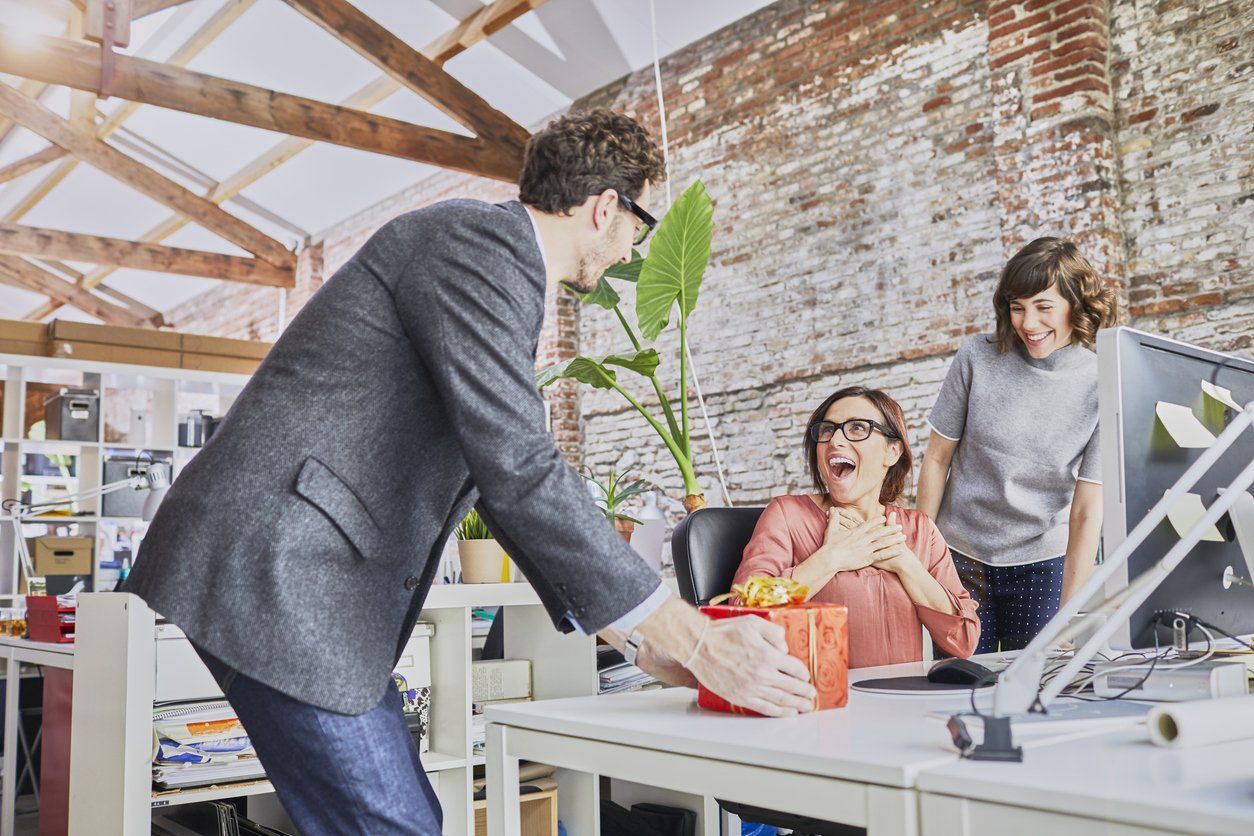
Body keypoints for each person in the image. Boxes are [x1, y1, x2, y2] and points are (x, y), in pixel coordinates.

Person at [125, 109, 815, 835]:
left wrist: (640, 643)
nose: (632, 250)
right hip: (278, 572)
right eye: (638, 225)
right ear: (606, 207)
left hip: (299, 583)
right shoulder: (480, 244)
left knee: (402, 818)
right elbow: (518, 463)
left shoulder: (489, 263)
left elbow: (497, 473)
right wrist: (695, 637)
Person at [916, 237, 1119, 654]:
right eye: (1017, 307)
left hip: (1041, 564)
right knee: (963, 683)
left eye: (1044, 307)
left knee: (1036, 688)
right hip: (960, 556)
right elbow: (937, 459)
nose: (1028, 323)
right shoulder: (977, 356)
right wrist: (923, 554)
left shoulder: (1102, 382)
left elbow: (1087, 509)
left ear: (1074, 305)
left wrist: (1070, 612)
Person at [733, 387, 979, 667]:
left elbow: (963, 641)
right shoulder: (787, 515)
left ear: (892, 451)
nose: (835, 439)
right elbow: (745, 616)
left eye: (858, 428)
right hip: (820, 705)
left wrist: (905, 564)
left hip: (902, 703)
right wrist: (833, 557)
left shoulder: (919, 530)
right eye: (827, 430)